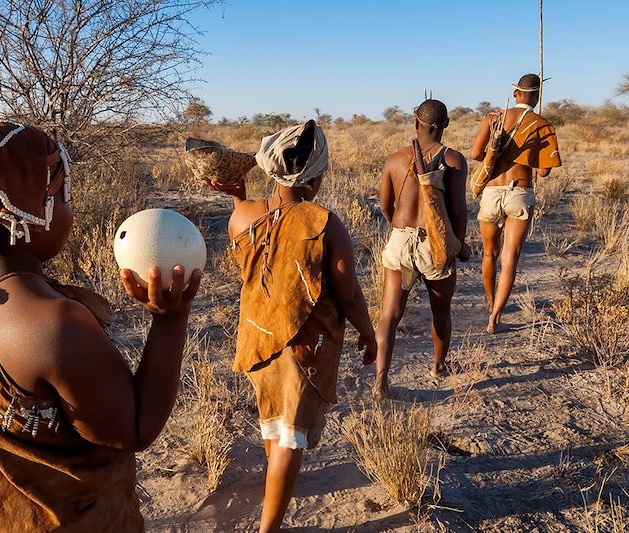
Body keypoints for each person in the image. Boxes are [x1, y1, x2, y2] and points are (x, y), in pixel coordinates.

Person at [0, 121, 201, 532]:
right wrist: (170, 320)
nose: (70, 208)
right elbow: (133, 429)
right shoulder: (55, 325)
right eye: (61, 197)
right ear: (24, 213)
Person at [204, 120, 377, 533]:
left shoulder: (242, 216)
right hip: (303, 348)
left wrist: (239, 199)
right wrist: (368, 331)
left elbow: (254, 241)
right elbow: (349, 293)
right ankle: (270, 528)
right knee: (291, 436)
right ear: (315, 179)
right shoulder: (324, 223)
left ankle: (274, 490)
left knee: (273, 423)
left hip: (257, 340)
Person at [375, 99, 469, 400]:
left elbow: (385, 207)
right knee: (440, 311)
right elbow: (457, 210)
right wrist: (457, 245)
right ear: (445, 125)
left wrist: (401, 230)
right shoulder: (453, 159)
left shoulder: (394, 159)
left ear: (415, 122)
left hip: (400, 242)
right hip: (435, 244)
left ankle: (380, 382)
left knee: (390, 314)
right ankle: (439, 367)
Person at [471, 74, 562, 333]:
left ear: (515, 94)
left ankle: (490, 301)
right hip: (520, 193)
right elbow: (543, 171)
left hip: (491, 191)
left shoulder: (493, 118)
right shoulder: (542, 125)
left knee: (489, 253)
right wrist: (529, 150)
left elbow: (477, 154)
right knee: (510, 258)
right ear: (537, 96)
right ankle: (495, 317)